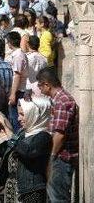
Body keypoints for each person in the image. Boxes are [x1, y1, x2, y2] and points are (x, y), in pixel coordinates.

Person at [0, 97, 52, 202]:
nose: (18, 119)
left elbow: (28, 151)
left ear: (34, 114)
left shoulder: (43, 136)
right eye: (18, 114)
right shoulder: (21, 133)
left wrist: (9, 133)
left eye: (22, 114)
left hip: (30, 191)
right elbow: (0, 152)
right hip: (12, 189)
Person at [36, 67, 79, 202]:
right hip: (60, 158)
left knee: (58, 197)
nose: (39, 89)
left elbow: (60, 134)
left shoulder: (62, 101)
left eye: (39, 85)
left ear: (47, 85)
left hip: (61, 158)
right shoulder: (59, 100)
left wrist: (52, 157)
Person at [5, 32, 27, 132]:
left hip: (18, 91)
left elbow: (17, 75)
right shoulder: (17, 54)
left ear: (9, 43)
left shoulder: (18, 55)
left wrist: (13, 94)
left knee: (15, 118)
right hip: (17, 90)